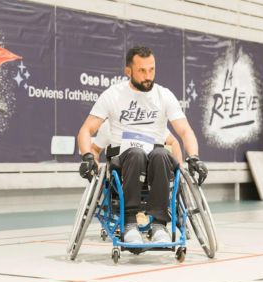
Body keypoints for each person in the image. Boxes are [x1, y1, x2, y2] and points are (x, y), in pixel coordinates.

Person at [77, 45, 208, 244]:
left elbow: (185, 131)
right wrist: (87, 157)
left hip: (156, 160)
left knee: (161, 155)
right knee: (136, 153)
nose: (148, 76)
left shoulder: (164, 95)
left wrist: (194, 157)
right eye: (142, 70)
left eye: (152, 69)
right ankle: (129, 223)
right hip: (123, 161)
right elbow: (86, 130)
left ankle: (159, 225)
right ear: (128, 71)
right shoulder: (113, 95)